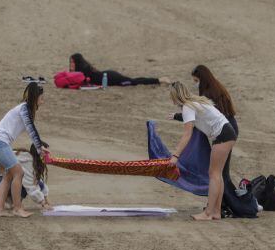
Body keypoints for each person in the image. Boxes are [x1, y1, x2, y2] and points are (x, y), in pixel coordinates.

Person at [166, 81, 237, 221]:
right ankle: (216, 212)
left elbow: (187, 134)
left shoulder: (188, 106)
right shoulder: (193, 103)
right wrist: (176, 116)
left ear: (175, 96)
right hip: (227, 132)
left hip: (223, 135)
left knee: (214, 174)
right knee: (217, 175)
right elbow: (194, 119)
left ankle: (208, 213)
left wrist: (175, 156)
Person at [0, 83, 49, 218]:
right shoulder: (24, 109)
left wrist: (40, 147)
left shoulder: (23, 109)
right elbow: (31, 130)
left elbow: (31, 130)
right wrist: (40, 148)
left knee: (8, 175)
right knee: (19, 173)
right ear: (35, 98)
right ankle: (17, 208)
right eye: (41, 98)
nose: (43, 101)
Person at [0, 144, 51, 211]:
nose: (48, 155)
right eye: (46, 152)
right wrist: (43, 203)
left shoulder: (28, 157)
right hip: (6, 184)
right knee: (25, 182)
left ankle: (9, 201)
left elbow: (39, 182)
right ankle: (9, 201)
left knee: (35, 182)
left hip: (2, 182)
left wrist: (46, 199)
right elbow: (31, 186)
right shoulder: (28, 162)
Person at [68, 53, 166, 87]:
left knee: (133, 82)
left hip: (112, 78)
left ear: (78, 62)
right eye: (70, 62)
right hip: (108, 75)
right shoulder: (80, 71)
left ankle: (159, 80)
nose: (71, 64)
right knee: (132, 80)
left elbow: (82, 83)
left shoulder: (83, 70)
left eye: (72, 62)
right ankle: (158, 80)